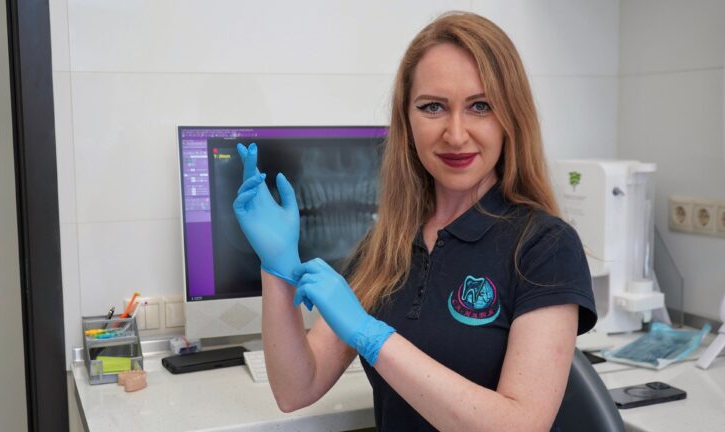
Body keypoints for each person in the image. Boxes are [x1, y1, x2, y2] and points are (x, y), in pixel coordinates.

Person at [233, 11, 597, 432]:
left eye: (480, 106)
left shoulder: (545, 247)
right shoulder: (385, 247)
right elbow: (296, 388)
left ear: (510, 118)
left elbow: (521, 426)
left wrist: (371, 335)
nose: (455, 134)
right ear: (407, 121)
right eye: (433, 107)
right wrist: (277, 268)